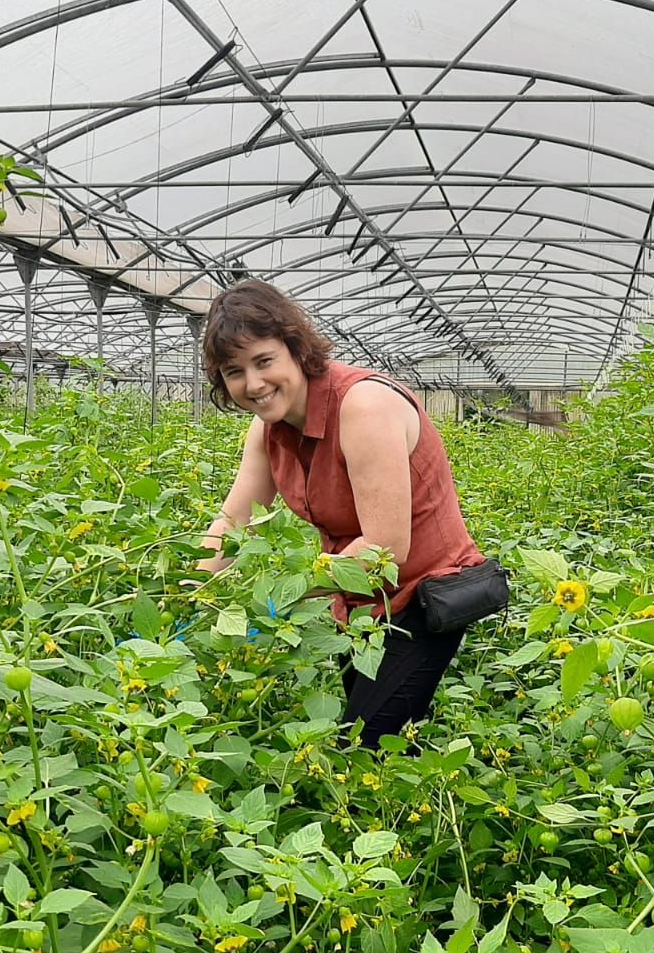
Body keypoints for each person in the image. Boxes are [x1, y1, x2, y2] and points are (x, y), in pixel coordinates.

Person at [194, 279, 489, 749]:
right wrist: (186, 597)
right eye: (234, 371)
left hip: (422, 597)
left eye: (264, 361)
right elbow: (234, 523)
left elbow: (385, 549)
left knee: (365, 746)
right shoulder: (268, 430)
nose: (253, 384)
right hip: (355, 605)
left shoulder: (363, 406)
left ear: (295, 349)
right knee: (376, 736)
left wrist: (275, 599)